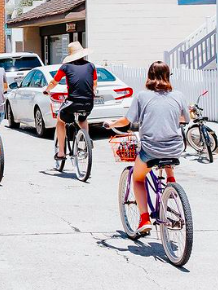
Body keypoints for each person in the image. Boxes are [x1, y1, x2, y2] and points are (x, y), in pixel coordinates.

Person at [105, 61, 190, 235]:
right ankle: (171, 180)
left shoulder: (142, 96)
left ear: (149, 75)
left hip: (151, 150)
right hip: (176, 148)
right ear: (168, 76)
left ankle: (144, 219)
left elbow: (127, 121)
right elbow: (185, 119)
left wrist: (111, 123)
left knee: (138, 178)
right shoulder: (179, 95)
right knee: (167, 141)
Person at [43, 41, 97, 160]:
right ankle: (86, 141)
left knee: (60, 120)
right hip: (89, 102)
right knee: (83, 118)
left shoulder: (66, 67)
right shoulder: (91, 66)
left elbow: (54, 82)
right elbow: (94, 85)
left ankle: (61, 152)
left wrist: (47, 90)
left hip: (72, 102)